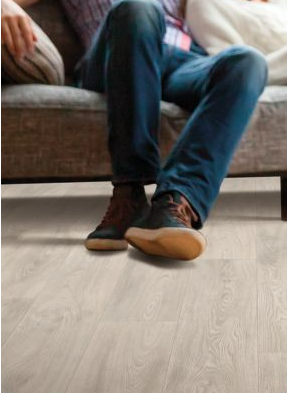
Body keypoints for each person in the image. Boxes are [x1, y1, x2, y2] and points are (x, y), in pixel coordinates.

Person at [38, 0, 268, 260]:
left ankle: (176, 201)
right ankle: (129, 195)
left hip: (179, 58)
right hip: (114, 56)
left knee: (248, 62)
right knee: (138, 7)